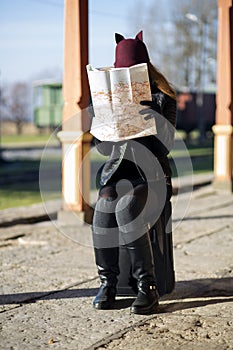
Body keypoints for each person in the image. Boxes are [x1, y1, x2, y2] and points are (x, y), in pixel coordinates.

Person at [91, 31, 177, 315]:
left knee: (128, 207)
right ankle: (108, 284)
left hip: (151, 175)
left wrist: (150, 115)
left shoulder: (164, 98)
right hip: (117, 172)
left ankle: (147, 287)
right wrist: (104, 120)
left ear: (143, 70)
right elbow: (102, 150)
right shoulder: (109, 97)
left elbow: (165, 148)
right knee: (104, 206)